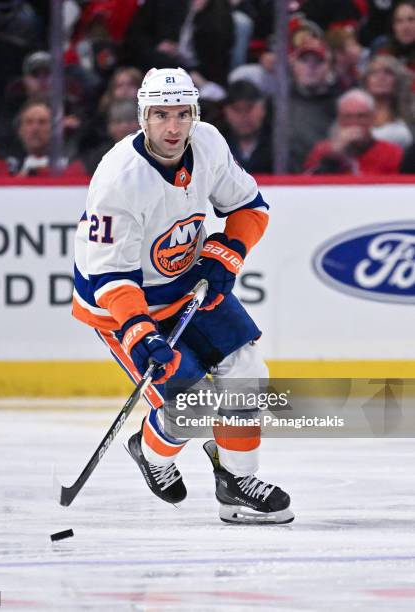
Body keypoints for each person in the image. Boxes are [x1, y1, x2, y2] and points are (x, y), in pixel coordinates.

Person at [72, 67, 294, 524]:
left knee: (248, 370)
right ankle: (151, 453)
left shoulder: (208, 143)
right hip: (120, 301)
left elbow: (250, 207)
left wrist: (225, 254)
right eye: (160, 115)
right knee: (190, 407)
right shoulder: (118, 179)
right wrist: (140, 333)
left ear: (195, 114)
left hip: (186, 282)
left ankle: (236, 483)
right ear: (142, 118)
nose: (173, 127)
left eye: (182, 114)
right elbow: (111, 277)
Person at [304, 88, 404, 174]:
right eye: (348, 117)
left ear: (373, 119)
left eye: (361, 117)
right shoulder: (322, 151)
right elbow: (308, 187)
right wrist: (333, 156)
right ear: (339, 120)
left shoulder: (392, 154)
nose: (354, 123)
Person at [0, 100, 85, 177]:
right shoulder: (5, 166)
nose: (35, 129)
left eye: (42, 122)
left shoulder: (72, 167)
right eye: (29, 122)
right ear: (20, 130)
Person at [288, 39, 341, 173]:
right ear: (294, 65)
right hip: (284, 180)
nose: (311, 67)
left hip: (327, 179)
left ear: (329, 67)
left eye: (318, 62)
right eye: (304, 61)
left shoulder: (340, 104)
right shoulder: (278, 104)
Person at [219, 80, 273, 173]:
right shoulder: (216, 148)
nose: (243, 115)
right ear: (225, 112)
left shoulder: (277, 146)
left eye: (249, 108)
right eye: (236, 109)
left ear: (263, 109)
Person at [361, 54, 414, 148]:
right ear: (366, 81)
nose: (381, 77)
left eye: (388, 73)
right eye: (374, 73)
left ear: (398, 80)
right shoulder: (353, 111)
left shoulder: (411, 114)